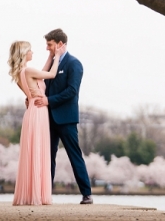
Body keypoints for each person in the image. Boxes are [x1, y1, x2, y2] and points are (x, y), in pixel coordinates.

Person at [34, 28, 93, 204]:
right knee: (47, 157)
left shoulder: (74, 64)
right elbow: (42, 84)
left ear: (60, 44)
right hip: (48, 119)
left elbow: (72, 91)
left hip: (66, 119)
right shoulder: (53, 63)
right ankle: (46, 195)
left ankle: (87, 194)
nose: (47, 48)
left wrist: (48, 101)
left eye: (49, 44)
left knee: (74, 156)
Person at [8, 40, 60, 206]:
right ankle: (39, 194)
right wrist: (57, 56)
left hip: (31, 111)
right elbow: (51, 74)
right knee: (38, 150)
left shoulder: (20, 74)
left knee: (32, 151)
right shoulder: (29, 70)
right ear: (24, 53)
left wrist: (50, 56)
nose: (32, 53)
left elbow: (41, 73)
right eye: (30, 50)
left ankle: (31, 193)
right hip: (39, 112)